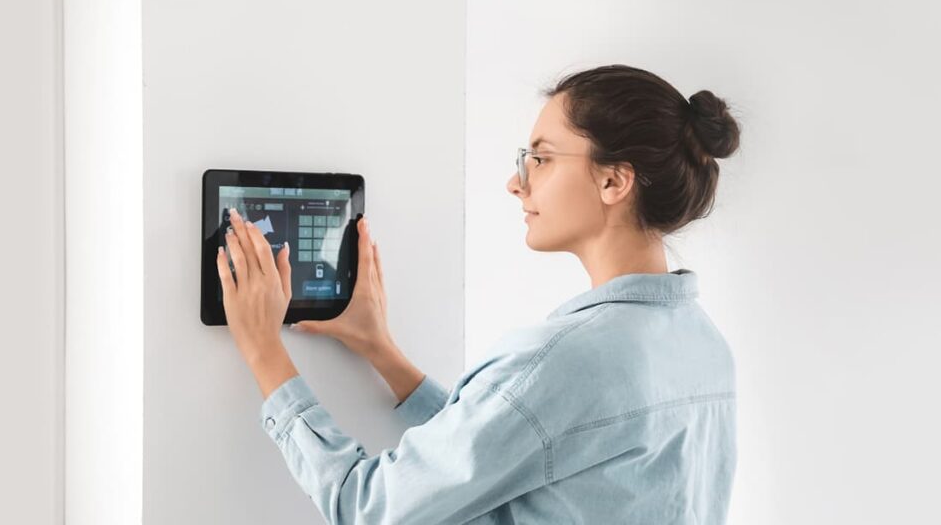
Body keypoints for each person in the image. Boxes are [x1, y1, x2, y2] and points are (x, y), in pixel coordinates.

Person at [215, 63, 741, 524]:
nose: (517, 183)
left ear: (613, 183)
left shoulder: (569, 360)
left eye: (541, 159)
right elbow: (520, 444)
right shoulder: (704, 345)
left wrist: (264, 351)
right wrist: (381, 350)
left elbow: (370, 508)